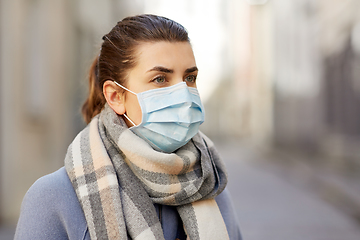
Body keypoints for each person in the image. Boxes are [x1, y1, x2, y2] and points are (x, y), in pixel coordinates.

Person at [14, 14, 242, 240]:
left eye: (189, 78)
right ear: (115, 96)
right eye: (160, 79)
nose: (183, 95)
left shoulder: (211, 188)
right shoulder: (54, 198)